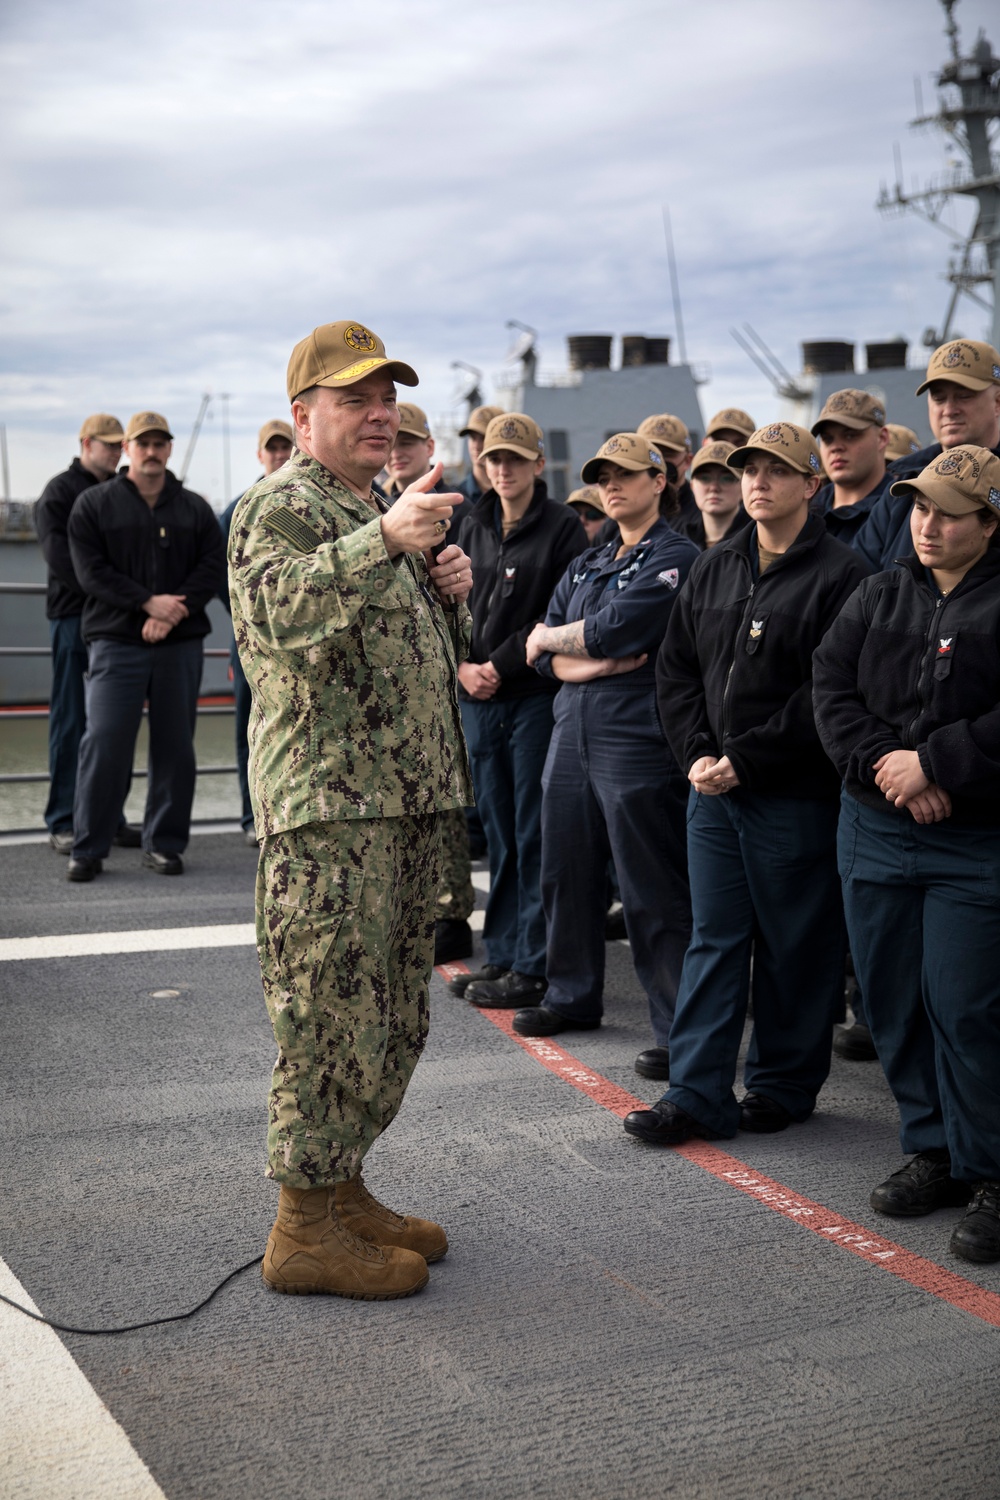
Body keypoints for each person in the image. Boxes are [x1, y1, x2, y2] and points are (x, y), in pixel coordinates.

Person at [228, 318, 475, 1301]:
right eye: (353, 400)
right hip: (331, 815)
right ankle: (301, 1231)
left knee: (389, 1017)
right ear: (304, 417)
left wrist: (448, 588)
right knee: (327, 1018)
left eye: (387, 400)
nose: (379, 415)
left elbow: (414, 656)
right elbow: (277, 617)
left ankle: (342, 1190)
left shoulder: (374, 508)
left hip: (405, 808)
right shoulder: (279, 506)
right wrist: (387, 540)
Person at [624, 422, 869, 1147]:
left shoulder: (844, 575)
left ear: (811, 486)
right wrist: (698, 752)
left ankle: (784, 1086)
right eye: (749, 468)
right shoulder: (715, 564)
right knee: (714, 939)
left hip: (790, 793)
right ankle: (695, 1094)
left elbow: (827, 692)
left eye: (776, 470)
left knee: (797, 943)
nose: (756, 481)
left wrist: (750, 759)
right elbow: (677, 670)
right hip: (713, 792)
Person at [813, 446, 1000, 1265]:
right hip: (878, 826)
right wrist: (892, 769)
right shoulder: (878, 593)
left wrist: (939, 762)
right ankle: (934, 1151)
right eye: (920, 508)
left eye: (950, 511)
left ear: (989, 522)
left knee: (967, 1007)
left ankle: (991, 1169)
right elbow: (831, 690)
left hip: (975, 838)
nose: (928, 524)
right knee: (892, 999)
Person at [513, 433, 698, 1084]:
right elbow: (546, 649)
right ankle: (570, 993)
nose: (611, 485)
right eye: (602, 476)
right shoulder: (589, 561)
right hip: (574, 724)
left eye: (625, 474)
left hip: (634, 731)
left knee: (652, 887)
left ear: (659, 480)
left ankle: (680, 1033)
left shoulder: (676, 557)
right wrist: (593, 656)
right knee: (565, 867)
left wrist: (579, 646)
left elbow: (615, 628)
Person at [450, 413, 586, 1008]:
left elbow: (554, 614)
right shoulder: (467, 520)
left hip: (530, 697)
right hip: (476, 698)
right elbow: (440, 597)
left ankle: (533, 962)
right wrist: (459, 665)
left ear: (537, 464)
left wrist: (497, 666)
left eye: (514, 459)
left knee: (534, 834)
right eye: (493, 459)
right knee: (501, 835)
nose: (502, 469)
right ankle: (501, 952)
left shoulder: (563, 530)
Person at [65, 412, 226, 881]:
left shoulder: (194, 508)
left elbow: (211, 568)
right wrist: (147, 604)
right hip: (116, 641)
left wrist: (172, 611)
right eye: (143, 443)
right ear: (128, 448)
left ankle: (165, 844)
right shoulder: (94, 504)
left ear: (169, 449)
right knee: (105, 741)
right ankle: (89, 847)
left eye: (160, 443)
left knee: (175, 746)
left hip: (178, 643)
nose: (152, 451)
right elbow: (89, 571)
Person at [382, 401, 476, 962]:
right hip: (389, 697)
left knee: (442, 809)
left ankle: (451, 908)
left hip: (434, 685)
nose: (397, 451)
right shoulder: (372, 508)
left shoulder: (443, 508)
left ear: (427, 450)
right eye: (393, 442)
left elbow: (456, 595)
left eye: (408, 441)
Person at [34, 414, 140, 854]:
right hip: (74, 619)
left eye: (120, 445)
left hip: (112, 623)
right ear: (85, 443)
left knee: (108, 727)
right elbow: (66, 563)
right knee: (71, 720)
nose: (116, 451)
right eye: (108, 444)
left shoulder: (120, 493)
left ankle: (106, 818)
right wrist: (120, 593)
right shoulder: (59, 493)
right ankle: (62, 819)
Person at [853, 339, 1000, 571]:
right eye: (939, 398)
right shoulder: (901, 481)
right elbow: (859, 572)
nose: (949, 410)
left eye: (964, 396)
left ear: (998, 402)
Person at [219, 420, 294, 845]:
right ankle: (253, 817)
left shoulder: (307, 502)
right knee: (249, 725)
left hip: (297, 637)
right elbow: (222, 574)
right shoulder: (238, 509)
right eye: (273, 449)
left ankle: (282, 812)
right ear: (260, 454)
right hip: (249, 638)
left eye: (287, 449)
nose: (280, 456)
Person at [810, 389, 891, 544]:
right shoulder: (805, 511)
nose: (836, 447)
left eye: (850, 435)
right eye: (827, 439)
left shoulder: (902, 512)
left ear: (881, 438)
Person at [676, 440, 748, 550]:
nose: (714, 488)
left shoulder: (756, 540)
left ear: (743, 488)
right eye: (705, 478)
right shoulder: (679, 536)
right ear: (692, 486)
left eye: (727, 479)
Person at [456, 404, 504, 504]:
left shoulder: (516, 499)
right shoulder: (456, 499)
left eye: (484, 438)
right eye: (472, 438)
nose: (476, 446)